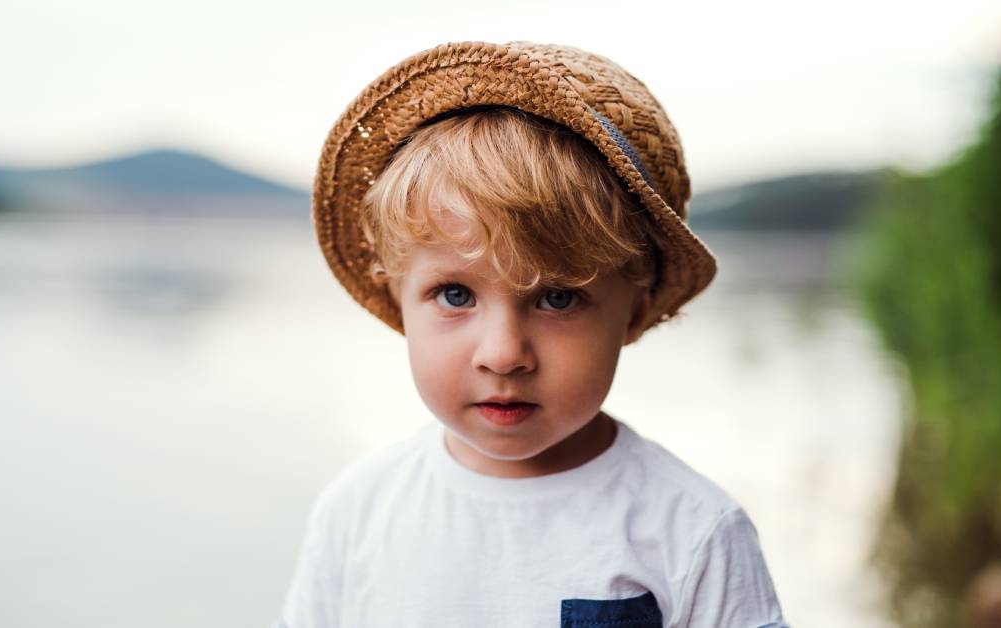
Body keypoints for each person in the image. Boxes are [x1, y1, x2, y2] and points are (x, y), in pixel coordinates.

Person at [276, 40, 788, 628]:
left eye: (558, 297)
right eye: (455, 294)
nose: (503, 355)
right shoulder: (358, 512)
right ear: (398, 297)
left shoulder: (691, 530)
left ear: (635, 313)